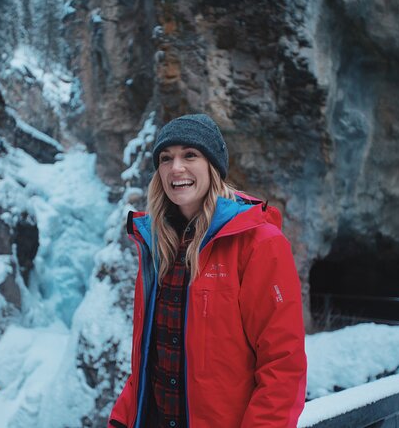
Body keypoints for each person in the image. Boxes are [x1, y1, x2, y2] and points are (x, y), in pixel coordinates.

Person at [109, 114, 307, 428]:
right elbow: (149, 358)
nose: (176, 168)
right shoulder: (157, 245)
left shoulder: (258, 243)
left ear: (213, 166)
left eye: (190, 155)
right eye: (166, 158)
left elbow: (282, 365)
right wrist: (121, 419)